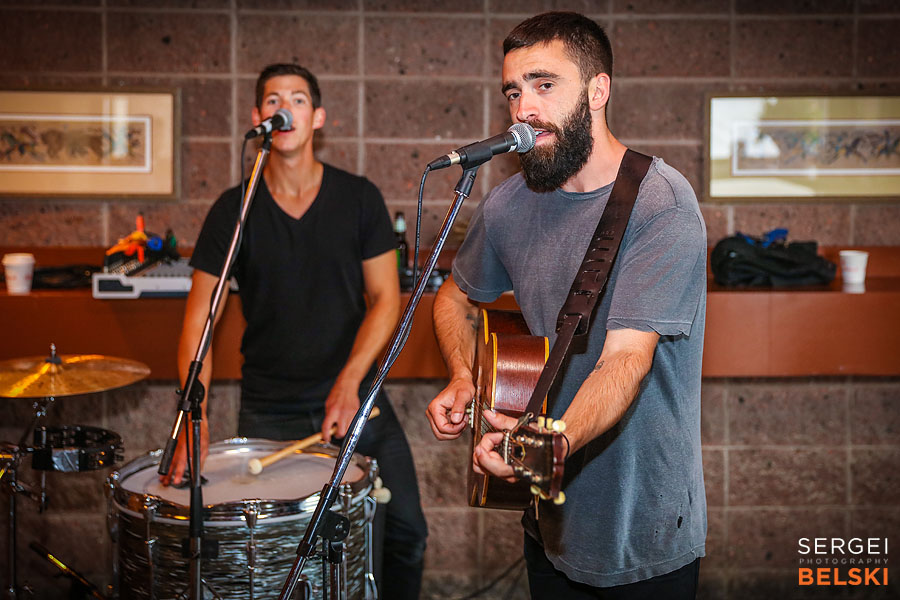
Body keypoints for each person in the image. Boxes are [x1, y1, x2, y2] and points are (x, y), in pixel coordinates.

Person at [425, 12, 707, 599]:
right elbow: (452, 298)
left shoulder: (661, 204)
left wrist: (538, 447)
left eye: (544, 84)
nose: (523, 107)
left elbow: (624, 362)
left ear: (598, 91)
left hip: (643, 528)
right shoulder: (509, 205)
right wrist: (462, 375)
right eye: (513, 91)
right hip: (549, 519)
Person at [163, 63, 427, 599]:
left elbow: (385, 300)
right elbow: (201, 319)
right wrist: (196, 414)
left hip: (357, 400)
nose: (285, 108)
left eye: (299, 99)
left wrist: (350, 382)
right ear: (258, 117)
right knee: (283, 563)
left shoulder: (358, 198)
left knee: (405, 534)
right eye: (273, 100)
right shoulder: (231, 211)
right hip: (270, 410)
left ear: (318, 118)